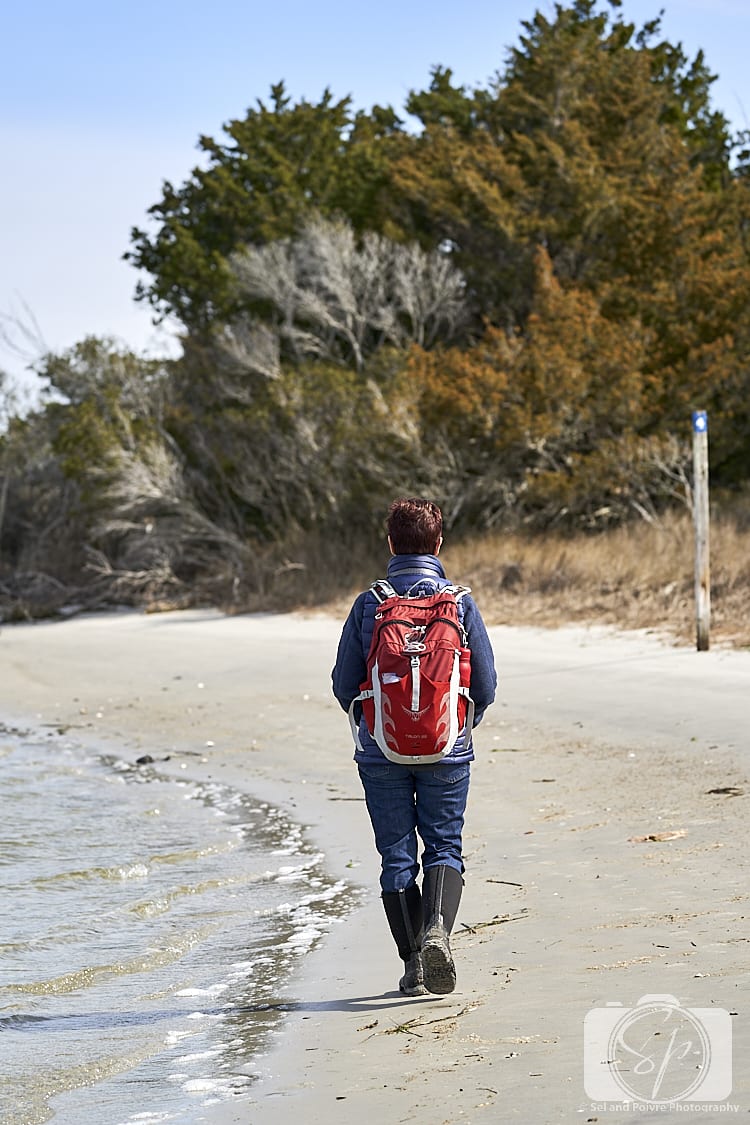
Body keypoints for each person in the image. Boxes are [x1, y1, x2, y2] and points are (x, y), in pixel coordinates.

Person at [332, 497, 497, 996]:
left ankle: (412, 966)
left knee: (396, 857)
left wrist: (372, 724)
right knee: (445, 845)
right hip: (448, 748)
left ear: (389, 544)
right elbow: (485, 683)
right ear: (439, 544)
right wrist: (461, 724)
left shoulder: (369, 603)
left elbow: (343, 683)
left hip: (381, 751)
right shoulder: (459, 602)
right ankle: (438, 934)